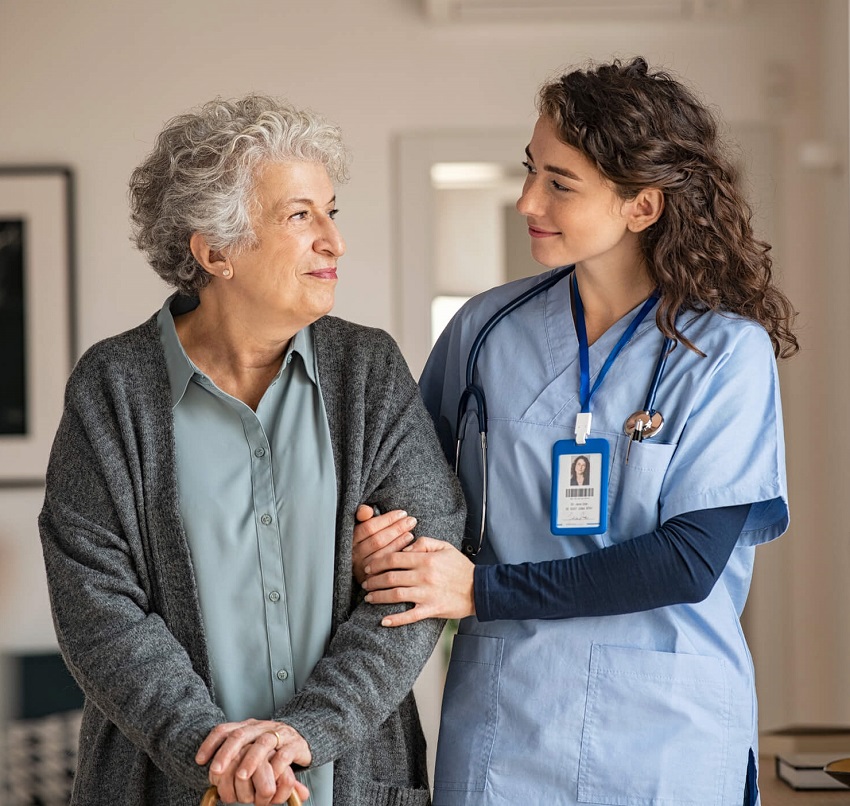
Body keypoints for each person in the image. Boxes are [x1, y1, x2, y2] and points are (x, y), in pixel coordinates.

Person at [353, 57, 797, 806]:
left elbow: (688, 561)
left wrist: (481, 591)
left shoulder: (724, 353)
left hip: (667, 733)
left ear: (642, 206)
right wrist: (383, 538)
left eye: (561, 183)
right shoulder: (484, 331)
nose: (527, 199)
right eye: (531, 171)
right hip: (508, 724)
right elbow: (411, 491)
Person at [38, 94, 465, 806]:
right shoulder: (112, 388)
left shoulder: (369, 371)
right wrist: (217, 757)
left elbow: (421, 575)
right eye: (300, 216)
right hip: (168, 785)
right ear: (214, 251)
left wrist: (306, 733)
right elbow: (96, 608)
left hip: (351, 783)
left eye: (332, 212)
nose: (334, 241)